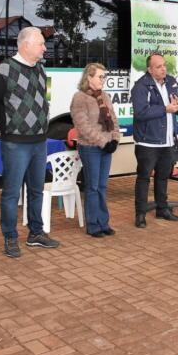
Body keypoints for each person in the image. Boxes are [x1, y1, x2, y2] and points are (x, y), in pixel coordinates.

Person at [0, 27, 60, 258]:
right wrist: (8, 126)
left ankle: (36, 233)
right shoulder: (3, 70)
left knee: (37, 190)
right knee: (12, 193)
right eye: (41, 44)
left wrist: (44, 120)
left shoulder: (41, 68)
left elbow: (47, 97)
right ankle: (10, 236)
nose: (45, 48)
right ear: (25, 45)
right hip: (15, 143)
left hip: (39, 141)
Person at [130, 53, 178, 228]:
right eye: (159, 66)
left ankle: (162, 209)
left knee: (163, 176)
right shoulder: (141, 86)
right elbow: (141, 112)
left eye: (164, 65)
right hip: (148, 142)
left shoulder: (171, 81)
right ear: (149, 69)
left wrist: (177, 107)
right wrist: (165, 109)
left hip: (167, 140)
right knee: (144, 178)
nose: (164, 69)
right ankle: (140, 214)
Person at [70, 63, 121, 237]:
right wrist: (102, 142)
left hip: (107, 146)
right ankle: (93, 225)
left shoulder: (104, 96)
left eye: (104, 76)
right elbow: (83, 127)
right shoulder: (80, 98)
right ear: (89, 78)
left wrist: (115, 139)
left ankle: (103, 222)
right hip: (91, 148)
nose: (103, 80)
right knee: (92, 187)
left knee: (102, 186)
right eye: (100, 76)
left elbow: (113, 119)